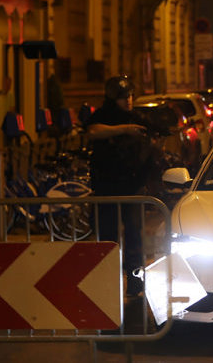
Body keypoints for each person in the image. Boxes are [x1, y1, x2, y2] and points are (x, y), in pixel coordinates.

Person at [85, 75, 151, 296]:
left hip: (132, 186)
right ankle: (108, 283)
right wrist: (123, 129)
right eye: (123, 97)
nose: (128, 101)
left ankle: (135, 283)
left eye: (130, 96)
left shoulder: (137, 117)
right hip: (107, 187)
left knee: (134, 238)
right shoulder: (104, 116)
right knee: (108, 238)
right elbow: (93, 131)